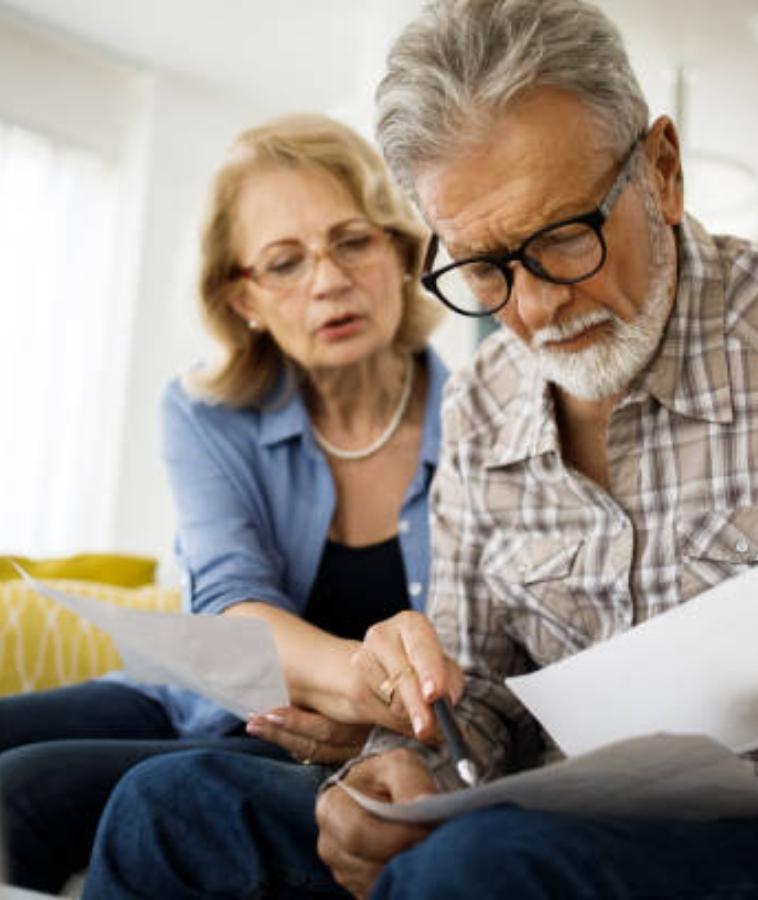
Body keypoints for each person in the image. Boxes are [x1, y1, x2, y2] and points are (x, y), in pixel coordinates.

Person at [81, 1, 758, 898]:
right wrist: (399, 767)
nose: (536, 309)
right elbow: (477, 697)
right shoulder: (482, 401)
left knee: (483, 865)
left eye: (562, 239)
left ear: (662, 171)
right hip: (561, 829)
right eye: (483, 266)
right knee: (174, 803)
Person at [0, 111, 460, 894]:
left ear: (398, 247)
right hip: (195, 699)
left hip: (315, 739)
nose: (328, 279)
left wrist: (370, 716)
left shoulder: (478, 416)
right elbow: (228, 600)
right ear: (242, 295)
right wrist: (367, 681)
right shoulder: (203, 412)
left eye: (352, 241)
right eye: (285, 262)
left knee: (20, 790)